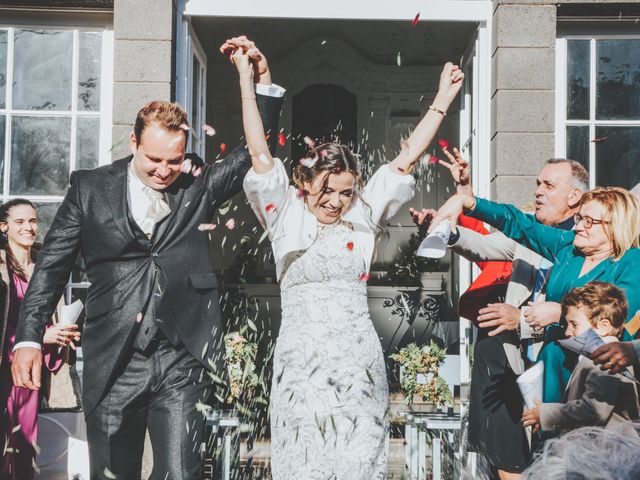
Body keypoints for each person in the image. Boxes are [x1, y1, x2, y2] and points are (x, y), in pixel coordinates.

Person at [11, 36, 284, 479]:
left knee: (182, 473)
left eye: (173, 161)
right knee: (113, 473)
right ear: (133, 141)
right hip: (114, 359)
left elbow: (254, 154)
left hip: (182, 357)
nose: (163, 170)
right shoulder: (89, 189)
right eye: (153, 159)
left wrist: (258, 82)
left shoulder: (196, 187)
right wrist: (28, 339)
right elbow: (51, 268)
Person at [235, 42, 463, 478]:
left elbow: (407, 156)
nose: (337, 201)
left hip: (358, 360)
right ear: (303, 180)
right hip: (301, 364)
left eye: (345, 191)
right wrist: (246, 83)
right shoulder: (283, 214)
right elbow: (259, 152)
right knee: (304, 463)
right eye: (327, 190)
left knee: (360, 460)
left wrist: (441, 101)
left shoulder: (362, 214)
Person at [412, 155, 587, 479]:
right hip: (512, 362)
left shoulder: (587, 244)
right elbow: (484, 246)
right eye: (537, 183)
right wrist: (445, 233)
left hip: (559, 370)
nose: (538, 191)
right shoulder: (529, 231)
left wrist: (519, 319)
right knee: (509, 458)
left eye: (548, 185)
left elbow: (586, 316)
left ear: (574, 196)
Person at [430, 186, 640, 408]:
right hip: (550, 369)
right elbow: (521, 224)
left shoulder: (632, 263)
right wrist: (469, 202)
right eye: (579, 217)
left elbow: (617, 319)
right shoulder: (568, 247)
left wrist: (560, 313)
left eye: (589, 221)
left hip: (595, 381)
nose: (578, 226)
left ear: (616, 226)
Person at [0, 199, 80, 479]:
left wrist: (61, 333)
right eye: (19, 222)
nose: (28, 227)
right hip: (4, 367)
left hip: (29, 371)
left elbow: (50, 315)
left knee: (24, 445)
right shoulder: (1, 269)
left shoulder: (45, 267)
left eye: (32, 221)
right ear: (3, 227)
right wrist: (40, 336)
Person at [522, 282, 639, 435]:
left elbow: (594, 410)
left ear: (603, 326)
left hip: (607, 451)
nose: (567, 332)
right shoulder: (595, 357)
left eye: (574, 324)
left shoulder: (607, 360)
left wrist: (546, 413)